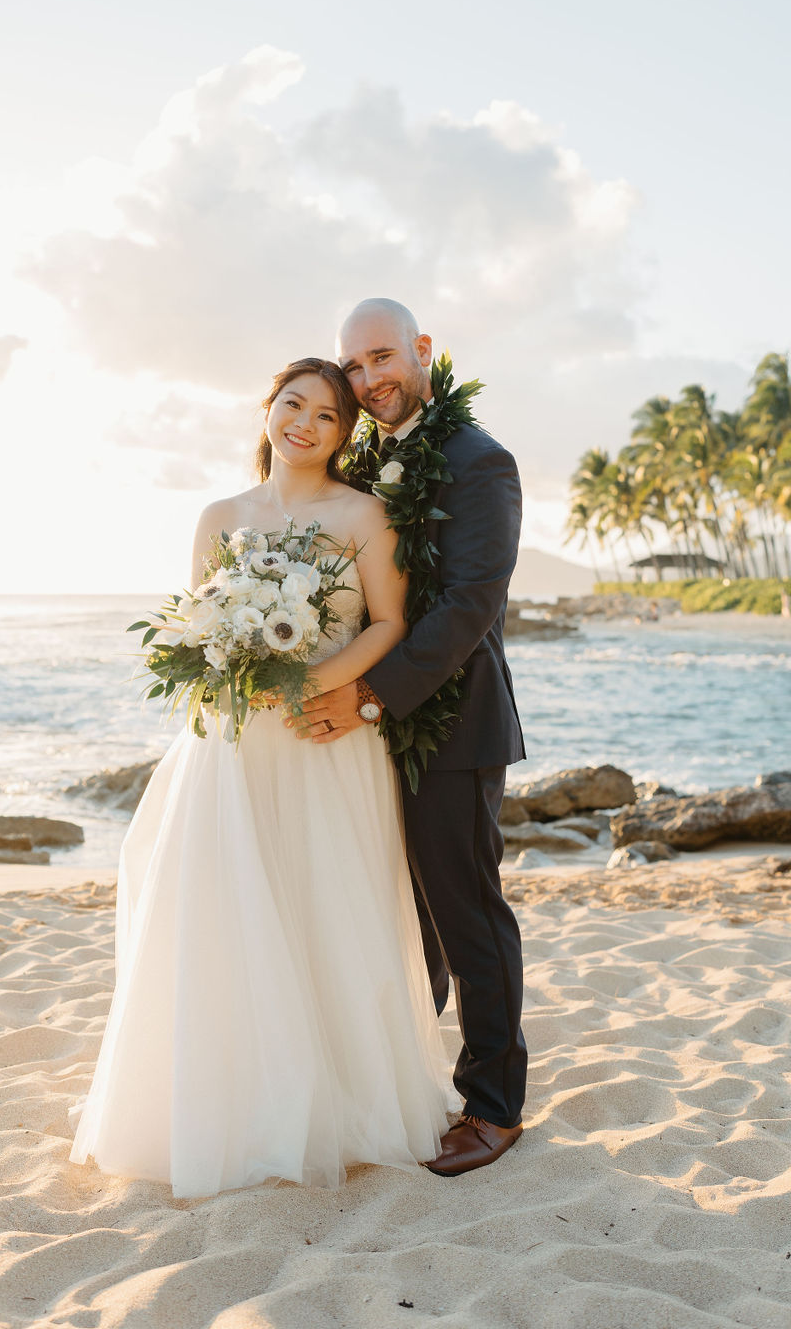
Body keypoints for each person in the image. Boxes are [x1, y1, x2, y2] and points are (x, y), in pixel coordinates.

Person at [69, 357, 452, 1198]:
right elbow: (196, 624)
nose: (304, 424)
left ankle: (337, 1105)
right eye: (292, 404)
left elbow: (389, 621)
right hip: (231, 747)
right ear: (268, 410)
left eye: (325, 414)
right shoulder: (219, 516)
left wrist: (314, 682)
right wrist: (231, 667)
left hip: (324, 741)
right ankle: (229, 1101)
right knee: (225, 914)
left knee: (325, 910)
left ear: (345, 433)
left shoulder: (363, 515)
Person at [293, 299, 528, 1176]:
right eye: (354, 367)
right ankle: (408, 1082)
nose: (368, 380)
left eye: (382, 357)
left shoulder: (479, 460)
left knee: (467, 916)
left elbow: (470, 606)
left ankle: (496, 1109)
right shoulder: (363, 459)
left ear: (423, 351)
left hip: (456, 724)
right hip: (379, 727)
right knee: (409, 918)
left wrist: (364, 699)